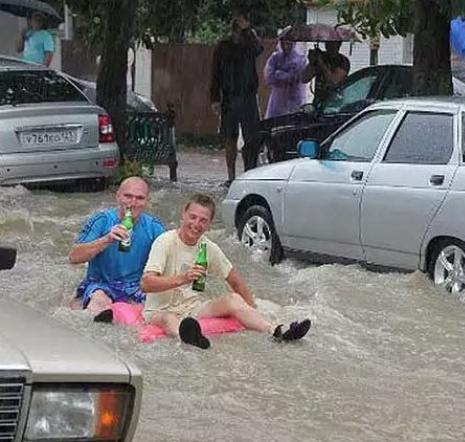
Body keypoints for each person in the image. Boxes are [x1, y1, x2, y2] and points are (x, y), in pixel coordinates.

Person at [140, 193, 311, 349]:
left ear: (209, 224)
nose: (196, 224)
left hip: (193, 308)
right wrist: (183, 278)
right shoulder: (165, 242)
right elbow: (146, 283)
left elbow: (235, 280)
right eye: (192, 217)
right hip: (160, 311)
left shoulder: (208, 247)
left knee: (233, 299)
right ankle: (187, 339)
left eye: (203, 220)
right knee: (169, 318)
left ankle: (276, 331)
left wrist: (251, 309)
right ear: (183, 215)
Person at [68, 177, 166, 315]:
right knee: (98, 301)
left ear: (147, 201)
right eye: (128, 196)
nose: (133, 203)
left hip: (135, 287)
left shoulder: (155, 228)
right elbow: (73, 257)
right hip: (100, 284)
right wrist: (107, 239)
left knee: (148, 312)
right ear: (118, 196)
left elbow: (169, 265)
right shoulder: (101, 220)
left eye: (139, 198)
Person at [210, 11, 264, 183]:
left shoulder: (249, 45)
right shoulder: (223, 47)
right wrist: (214, 98)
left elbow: (259, 48)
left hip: (248, 97)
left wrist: (248, 29)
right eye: (237, 32)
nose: (238, 36)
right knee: (229, 139)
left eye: (241, 33)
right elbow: (215, 74)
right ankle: (231, 177)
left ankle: (250, 174)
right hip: (229, 97)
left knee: (251, 138)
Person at [263, 35, 307, 118]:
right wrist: (282, 75)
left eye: (288, 44)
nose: (285, 47)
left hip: (294, 98)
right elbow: (268, 77)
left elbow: (299, 77)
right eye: (283, 43)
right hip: (278, 99)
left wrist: (280, 74)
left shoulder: (300, 59)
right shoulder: (275, 58)